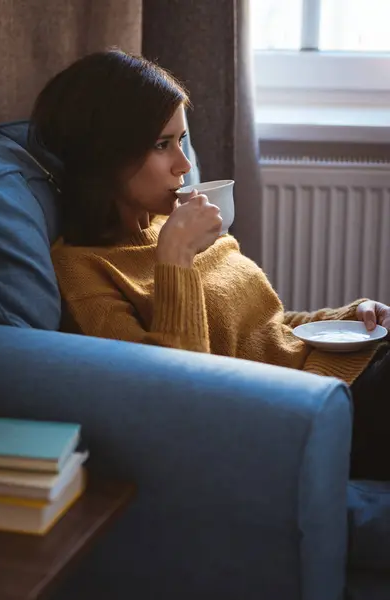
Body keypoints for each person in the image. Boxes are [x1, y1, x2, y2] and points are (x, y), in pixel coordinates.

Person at [28, 48, 390, 481]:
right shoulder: (82, 269)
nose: (184, 165)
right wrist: (175, 259)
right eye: (162, 145)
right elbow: (177, 397)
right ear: (104, 154)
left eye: (181, 141)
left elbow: (260, 332)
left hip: (337, 375)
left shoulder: (172, 221)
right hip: (307, 416)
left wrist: (346, 320)